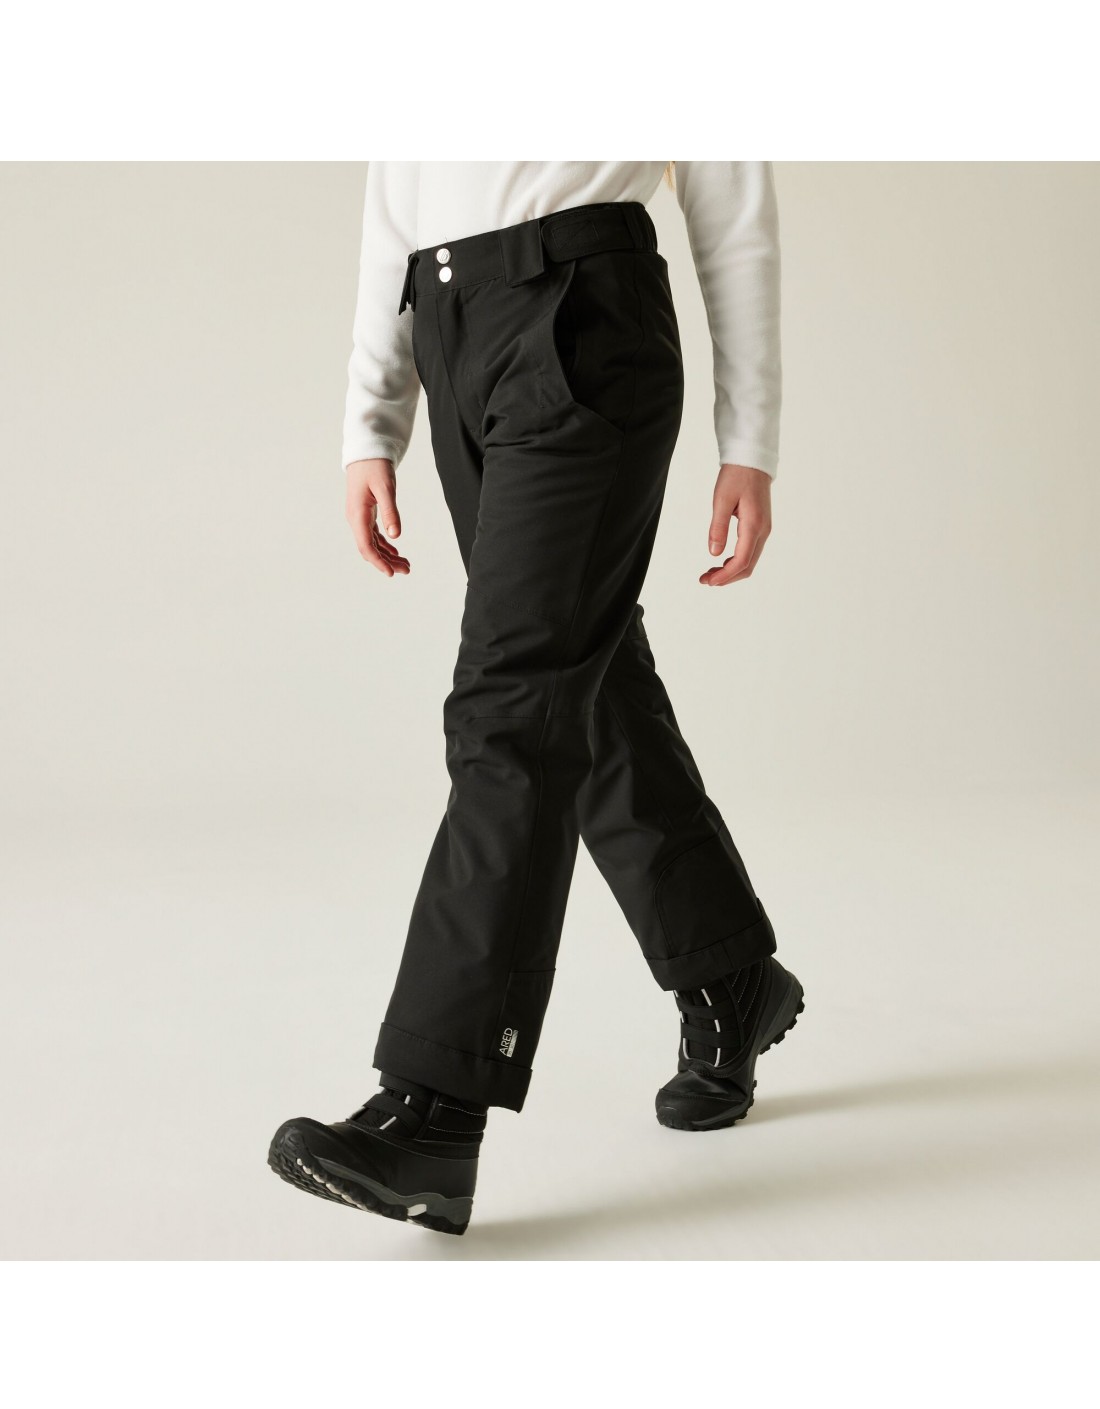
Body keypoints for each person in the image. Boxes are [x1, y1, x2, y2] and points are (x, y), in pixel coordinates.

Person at [268, 162, 803, 1235]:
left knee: (510, 708)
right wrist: (371, 420)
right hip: (452, 323)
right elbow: (398, 184)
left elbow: (729, 193)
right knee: (579, 685)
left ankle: (434, 1109)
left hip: (581, 318)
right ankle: (729, 973)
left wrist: (748, 442)